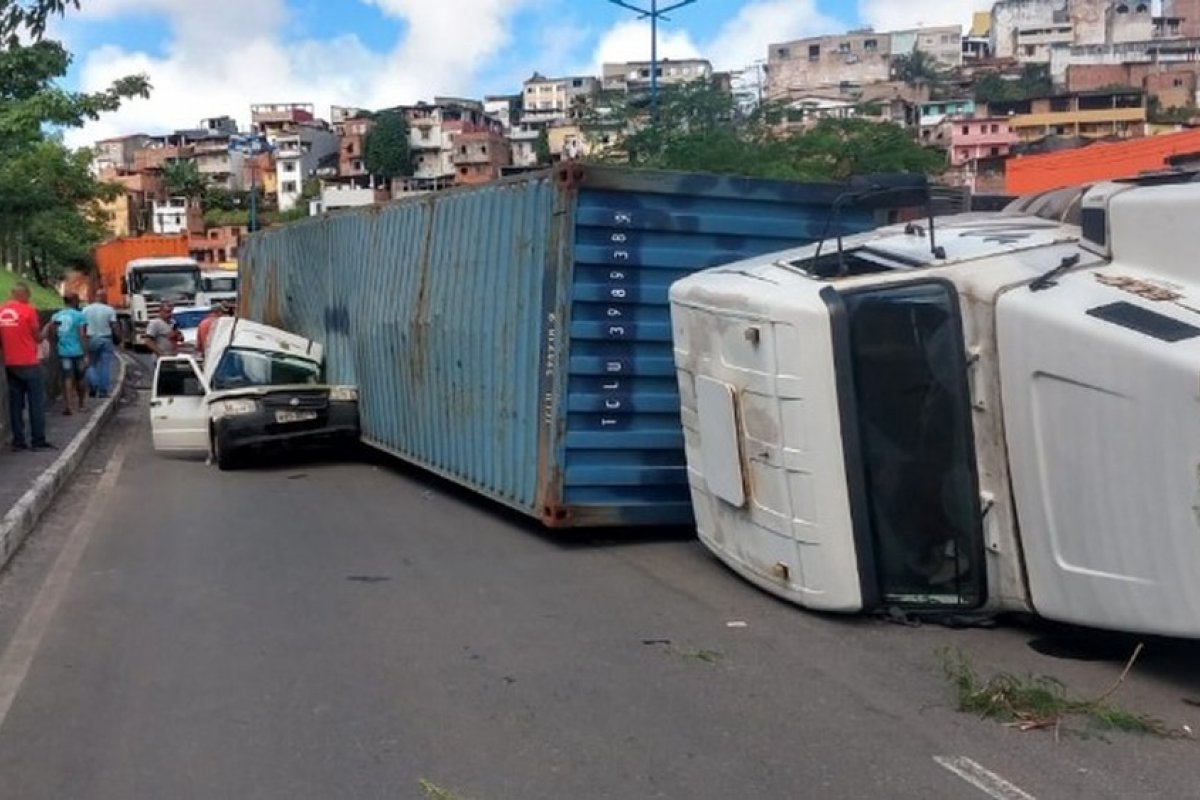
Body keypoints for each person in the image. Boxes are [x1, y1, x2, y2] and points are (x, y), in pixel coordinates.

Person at [0, 283, 53, 451]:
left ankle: (18, 440)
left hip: (10, 363)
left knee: (15, 404)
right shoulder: (28, 310)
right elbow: (37, 338)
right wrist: (47, 328)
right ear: (24, 295)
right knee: (36, 402)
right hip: (29, 363)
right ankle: (37, 439)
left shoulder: (1, 311)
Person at [46, 293, 89, 416]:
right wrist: (86, 353)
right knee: (80, 377)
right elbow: (82, 335)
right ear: (75, 301)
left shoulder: (56, 316)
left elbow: (53, 334)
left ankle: (69, 406)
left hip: (63, 351)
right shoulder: (79, 316)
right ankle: (81, 404)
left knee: (67, 378)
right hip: (78, 351)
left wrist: (59, 343)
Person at [82, 289, 119, 397]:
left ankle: (93, 385)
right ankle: (103, 390)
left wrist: (83, 339)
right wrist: (118, 337)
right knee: (105, 365)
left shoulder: (86, 310)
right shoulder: (109, 310)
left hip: (91, 338)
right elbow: (114, 325)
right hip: (106, 339)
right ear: (104, 297)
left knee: (91, 364)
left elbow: (83, 327)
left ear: (96, 297)